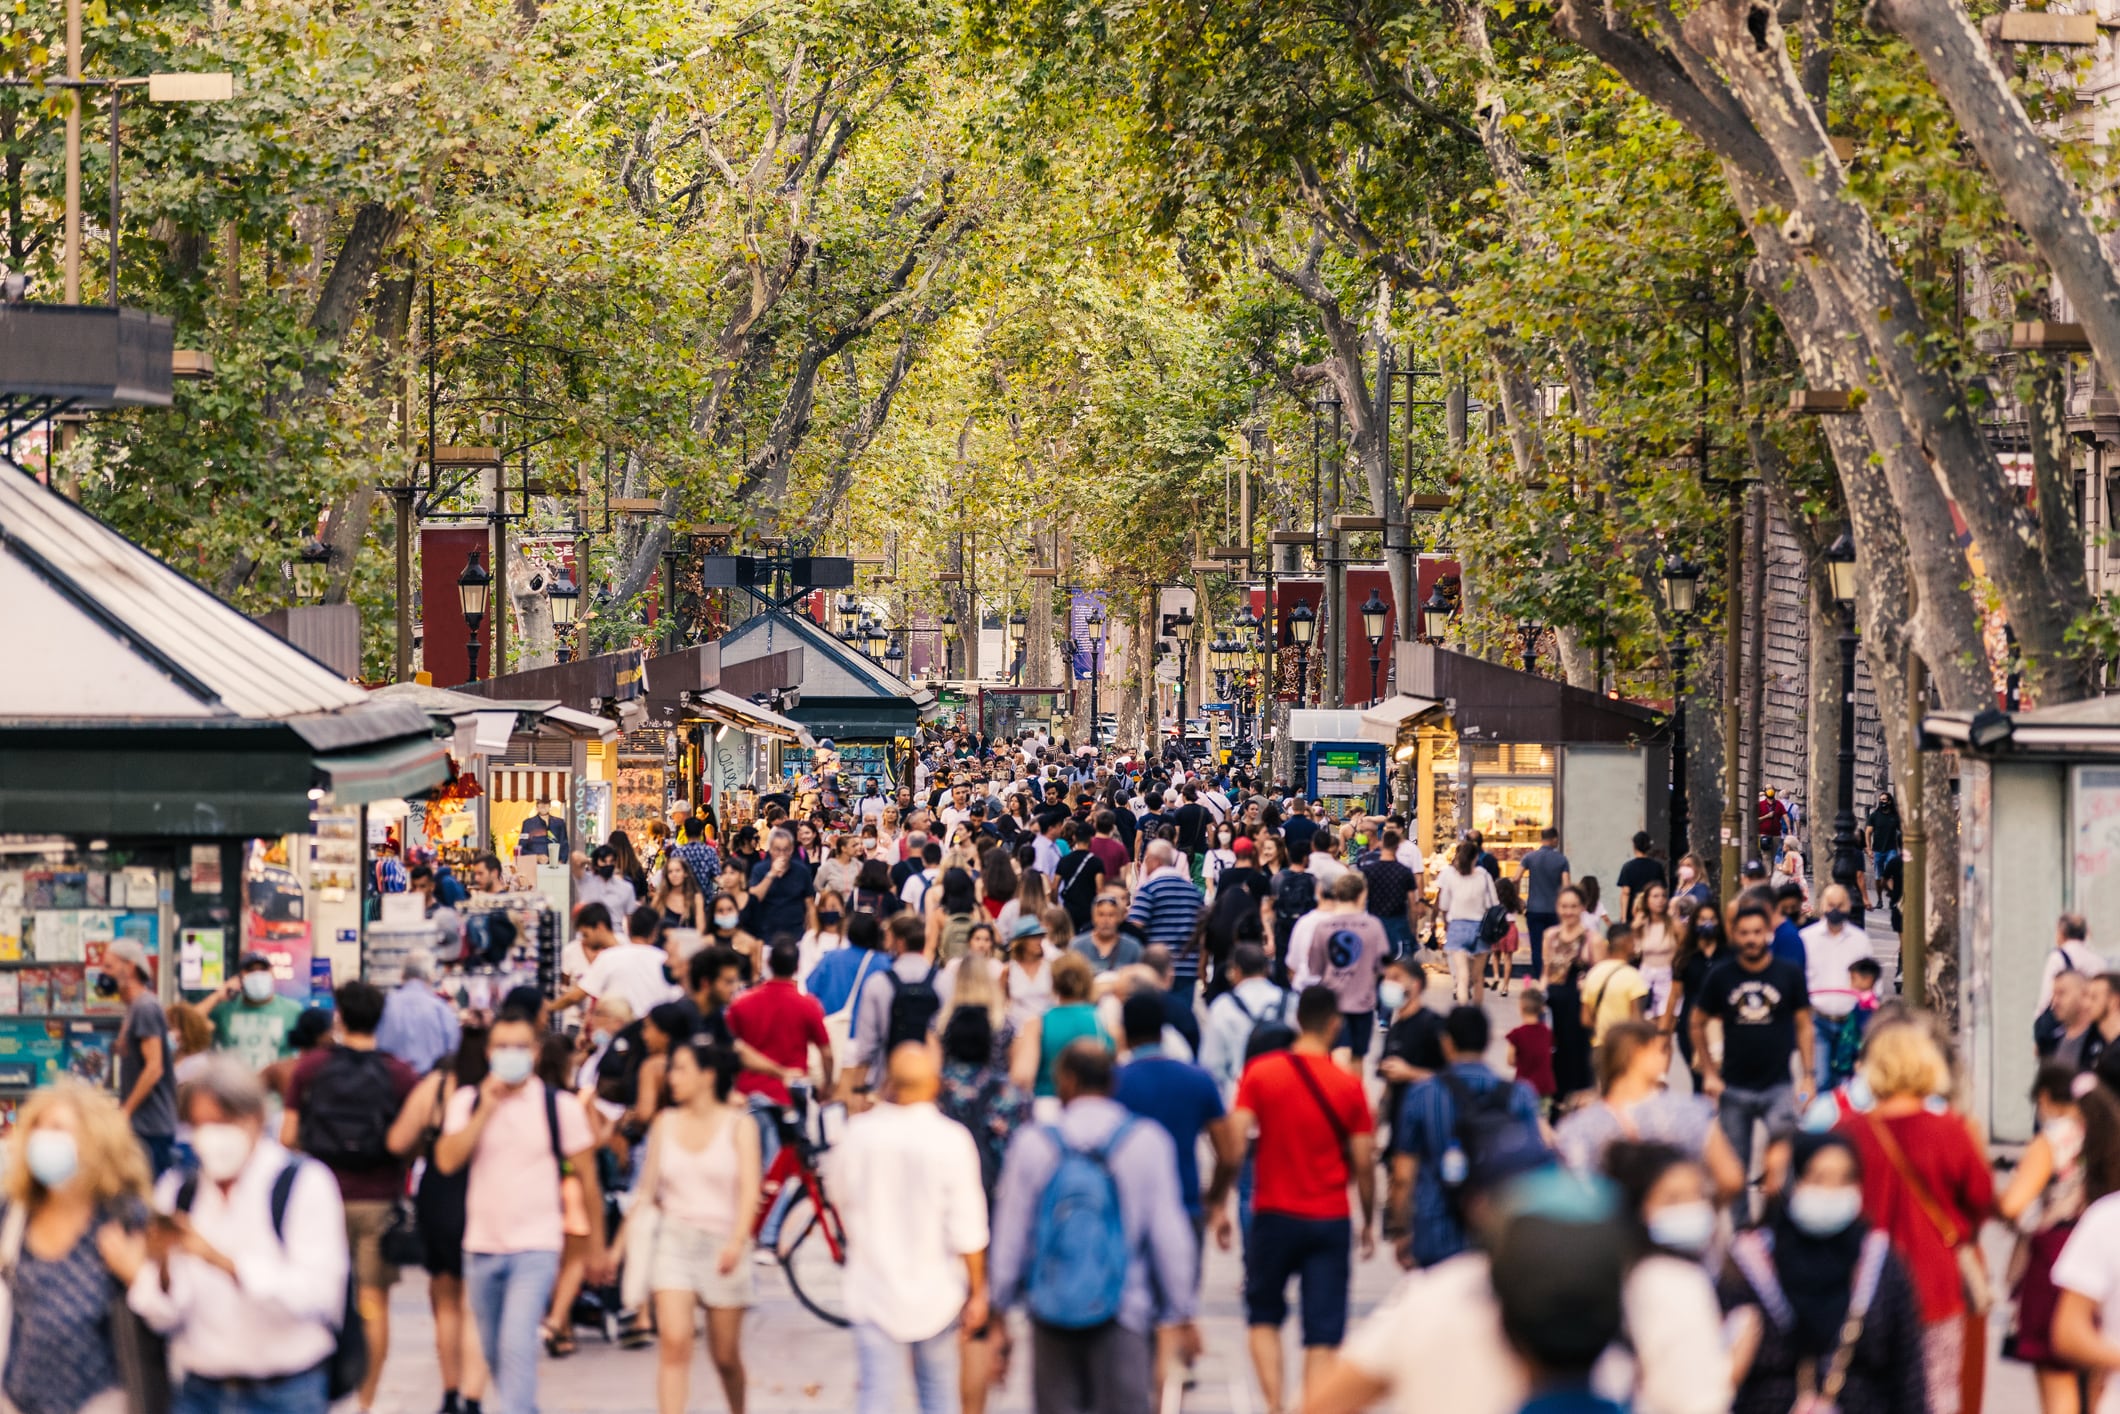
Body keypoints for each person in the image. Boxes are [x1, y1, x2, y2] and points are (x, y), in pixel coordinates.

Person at [118, 1057, 351, 1414]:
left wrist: (221, 1261)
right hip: (200, 1390)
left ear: (255, 1119)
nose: (210, 1136)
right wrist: (161, 1266)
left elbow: (317, 1295)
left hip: (286, 1391)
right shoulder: (181, 1190)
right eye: (199, 1125)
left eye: (222, 1122)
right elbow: (163, 1315)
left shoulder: (303, 1184)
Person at [990, 1041, 1200, 1414]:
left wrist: (999, 1309)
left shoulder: (1034, 1143)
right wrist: (1181, 1311)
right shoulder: (1146, 1141)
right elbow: (1170, 1237)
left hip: (1051, 1310)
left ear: (1066, 1081)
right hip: (1125, 1309)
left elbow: (1011, 1236)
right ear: (1111, 1082)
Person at [435, 1006, 610, 1414]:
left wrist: (597, 1245)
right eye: (501, 1047)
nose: (509, 1054)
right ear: (488, 1052)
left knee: (517, 1344)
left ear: (534, 1052)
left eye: (518, 1047)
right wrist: (484, 1112)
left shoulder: (559, 1107)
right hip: (480, 1246)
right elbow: (446, 1160)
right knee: (495, 1350)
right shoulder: (468, 1100)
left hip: (536, 1245)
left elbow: (587, 1179)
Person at [1835, 1023, 1995, 1414]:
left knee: (1863, 1392)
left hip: (1860, 1284)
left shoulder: (1847, 1131)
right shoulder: (1950, 1130)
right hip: (1934, 1284)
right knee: (1934, 1392)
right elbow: (1981, 1199)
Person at [1231, 986, 1377, 1413]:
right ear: (1335, 1024)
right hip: (1329, 1218)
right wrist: (1368, 1220)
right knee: (1322, 1332)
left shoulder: (1260, 1073)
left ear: (1298, 1021)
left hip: (1273, 1213)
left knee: (1263, 1316)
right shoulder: (1348, 1086)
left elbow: (1236, 1142)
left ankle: (1275, 1405)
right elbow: (1365, 1162)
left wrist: (1221, 1199)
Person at [281, 980, 420, 1414]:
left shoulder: (310, 1067)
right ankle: (364, 1402)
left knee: (316, 1298)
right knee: (373, 1302)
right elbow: (409, 1141)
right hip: (378, 1199)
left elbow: (287, 1137)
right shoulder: (400, 1073)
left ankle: (321, 1396)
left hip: (318, 1199)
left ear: (338, 1016)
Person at [1718, 1132, 1928, 1414]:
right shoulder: (1750, 1265)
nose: (1832, 1191)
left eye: (1845, 1180)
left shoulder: (1880, 1265)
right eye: (1818, 1179)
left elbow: (1907, 1373)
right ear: (1794, 1182)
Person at [831, 1044, 990, 1414]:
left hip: (872, 1287)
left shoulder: (858, 1135)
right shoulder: (951, 1140)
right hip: (937, 1292)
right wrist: (978, 1290)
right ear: (934, 1084)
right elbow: (968, 1228)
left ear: (889, 1083)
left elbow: (837, 1196)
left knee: (877, 1396)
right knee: (937, 1396)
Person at [623, 1037, 759, 1414]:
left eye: (681, 1069)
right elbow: (647, 1192)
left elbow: (750, 1192)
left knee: (725, 1356)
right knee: (675, 1341)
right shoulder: (664, 1124)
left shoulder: (739, 1126)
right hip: (674, 1240)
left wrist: (736, 1241)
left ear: (707, 1075)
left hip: (723, 1245)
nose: (671, 1077)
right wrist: (618, 1247)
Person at [0, 1079, 153, 1414]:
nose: (44, 1137)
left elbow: (166, 1311)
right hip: (19, 1397)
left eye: (58, 1128)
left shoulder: (124, 1217)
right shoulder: (14, 1213)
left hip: (101, 1400)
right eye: (38, 1126)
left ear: (94, 1140)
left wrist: (139, 1276)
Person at [1388, 1005, 1544, 1271]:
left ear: (1447, 1043)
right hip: (1499, 1232)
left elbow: (1403, 1173)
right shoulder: (1520, 1095)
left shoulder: (1422, 1094)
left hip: (1436, 1228)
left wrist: (1401, 1228)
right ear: (1487, 1041)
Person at [1999, 1065, 2112, 1414]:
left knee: (2058, 1378)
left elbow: (2012, 1204)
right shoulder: (2109, 1132)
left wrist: (2026, 1217)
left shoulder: (2053, 1139)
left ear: (2045, 1098)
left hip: (2056, 1258)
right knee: (2098, 1378)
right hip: (2104, 1254)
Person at [391, 1026, 490, 1414]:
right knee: (474, 1303)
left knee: (445, 1299)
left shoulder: (436, 1086)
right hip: (487, 1189)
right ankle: (473, 1395)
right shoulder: (500, 1090)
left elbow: (398, 1141)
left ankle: (450, 1393)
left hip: (440, 1192)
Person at [1692, 901, 1815, 1209]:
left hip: (1779, 1087)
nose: (1751, 939)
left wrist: (1809, 1077)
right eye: (1744, 933)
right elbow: (1696, 1022)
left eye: (1757, 932)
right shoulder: (1722, 975)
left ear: (1768, 934)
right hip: (1734, 1088)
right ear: (1734, 934)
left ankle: (1781, 1231)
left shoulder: (1788, 974)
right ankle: (1740, 1239)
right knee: (1735, 1175)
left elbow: (1804, 1026)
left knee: (1783, 1168)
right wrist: (1708, 1071)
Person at [1554, 1020, 1744, 1200]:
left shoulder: (1578, 1126)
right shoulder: (1691, 1112)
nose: (1665, 1058)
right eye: (1661, 1050)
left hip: (1611, 1229)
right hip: (1678, 1226)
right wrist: (1702, 1206)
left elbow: (1573, 1192)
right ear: (1639, 1053)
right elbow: (1730, 1178)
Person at [850, 914, 947, 1097]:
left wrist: (858, 1089)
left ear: (900, 943)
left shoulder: (878, 983)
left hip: (888, 1083)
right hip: (931, 1082)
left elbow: (867, 1046)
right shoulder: (943, 981)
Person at [1298, 872, 1387, 1064]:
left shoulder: (1323, 926)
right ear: (1361, 895)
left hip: (1332, 1002)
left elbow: (1314, 968)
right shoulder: (1373, 926)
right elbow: (1382, 966)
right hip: (1363, 1002)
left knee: (1335, 1054)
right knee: (1357, 1059)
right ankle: (1352, 1093)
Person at [107, 939, 177, 1175]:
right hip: (142, 1128)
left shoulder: (145, 1007)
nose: (102, 974)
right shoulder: (134, 1008)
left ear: (129, 968)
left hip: (151, 1128)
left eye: (108, 966)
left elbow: (154, 1067)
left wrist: (126, 1112)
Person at [1801, 884, 1876, 1087]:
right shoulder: (1807, 939)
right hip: (1818, 1021)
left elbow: (1872, 980)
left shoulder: (1860, 941)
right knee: (1822, 1079)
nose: (1835, 909)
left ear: (1849, 906)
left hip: (1850, 1022)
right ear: (1822, 905)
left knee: (1849, 1081)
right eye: (1830, 904)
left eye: (1840, 905)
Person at [1200, 942, 1292, 1100]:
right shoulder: (1289, 1001)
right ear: (1267, 969)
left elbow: (1212, 1064)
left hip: (1238, 1093)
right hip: (1284, 1092)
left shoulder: (1223, 1006)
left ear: (1235, 971)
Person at [1027, 951, 1108, 1113]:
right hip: (1094, 1107)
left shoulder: (1037, 1023)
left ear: (1053, 981)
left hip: (1047, 1107)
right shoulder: (1103, 1020)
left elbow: (1022, 1076)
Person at [1125, 840, 1205, 1004]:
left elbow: (1135, 927)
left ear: (1155, 861)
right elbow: (1203, 931)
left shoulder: (1148, 890)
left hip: (1157, 970)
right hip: (1188, 967)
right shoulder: (1193, 892)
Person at [1543, 886, 1599, 1106]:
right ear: (1558, 907)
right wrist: (1537, 995)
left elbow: (1602, 974)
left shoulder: (1591, 940)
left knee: (1578, 1058)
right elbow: (1546, 971)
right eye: (1564, 906)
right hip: (1554, 1005)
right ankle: (1557, 1106)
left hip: (1579, 1007)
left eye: (1574, 906)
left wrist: (1589, 981)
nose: (1569, 911)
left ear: (1582, 908)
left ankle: (1580, 1105)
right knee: (1555, 1057)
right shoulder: (1550, 936)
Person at [209, 950, 306, 1075]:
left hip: (275, 1092)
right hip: (234, 1091)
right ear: (239, 977)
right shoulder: (224, 1011)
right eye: (251, 970)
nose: (257, 975)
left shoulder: (293, 1011)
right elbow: (186, 1026)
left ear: (272, 973)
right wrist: (216, 997)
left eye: (263, 970)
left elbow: (307, 1055)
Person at [1662, 899, 1726, 1078]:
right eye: (1702, 919)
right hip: (1690, 1026)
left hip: (1721, 1024)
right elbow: (1674, 995)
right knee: (1699, 1079)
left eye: (1712, 920)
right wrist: (1664, 1031)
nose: (1707, 924)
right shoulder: (1686, 958)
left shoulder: (1728, 955)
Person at [376, 949, 462, 1076]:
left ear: (402, 975)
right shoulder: (441, 1010)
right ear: (431, 976)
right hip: (428, 1086)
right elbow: (453, 1053)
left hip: (390, 1085)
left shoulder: (384, 1005)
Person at [1434, 838, 1499, 1005]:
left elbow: (1444, 904)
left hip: (1457, 927)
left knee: (1462, 977)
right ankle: (1476, 1013)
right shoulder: (1483, 876)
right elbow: (1493, 904)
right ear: (1476, 858)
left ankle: (1464, 1012)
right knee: (1478, 977)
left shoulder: (1451, 877)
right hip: (1480, 928)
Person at [1580, 925, 1648, 1050]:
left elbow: (1585, 1019)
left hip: (1600, 1046)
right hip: (1625, 1047)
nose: (1635, 945)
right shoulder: (1632, 976)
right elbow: (1636, 1019)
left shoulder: (1593, 974)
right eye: (1633, 940)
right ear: (1626, 941)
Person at [1516, 827, 1571, 981]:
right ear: (1554, 839)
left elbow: (1516, 877)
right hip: (1554, 911)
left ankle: (1541, 978)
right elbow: (1566, 886)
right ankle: (1553, 976)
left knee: (1537, 947)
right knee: (1554, 945)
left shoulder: (1529, 857)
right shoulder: (1561, 860)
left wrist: (1518, 899)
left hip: (1534, 909)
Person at [744, 827, 817, 942]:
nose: (782, 854)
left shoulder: (801, 871)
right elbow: (754, 898)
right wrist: (771, 874)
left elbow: (810, 905)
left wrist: (813, 934)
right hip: (765, 935)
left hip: (795, 935)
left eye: (786, 850)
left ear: (792, 850)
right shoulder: (760, 870)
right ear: (771, 850)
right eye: (777, 850)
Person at [2041, 913, 2103, 1016]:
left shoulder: (2058, 957)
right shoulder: (2098, 960)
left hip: (2066, 1020)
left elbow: (2047, 997)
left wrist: (2040, 1020)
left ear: (2061, 933)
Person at [1070, 891, 1143, 977]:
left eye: (1111, 915)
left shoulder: (1132, 948)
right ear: (1093, 917)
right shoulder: (1077, 947)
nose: (1105, 920)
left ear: (1119, 918)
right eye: (1101, 914)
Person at [1505, 987, 1555, 1111]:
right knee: (1542, 1119)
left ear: (1521, 1008)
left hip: (1523, 1086)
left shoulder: (1517, 1034)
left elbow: (1511, 1060)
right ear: (1541, 1009)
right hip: (1544, 1086)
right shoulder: (1547, 1032)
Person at [573, 843, 639, 921]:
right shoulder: (585, 881)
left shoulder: (626, 887)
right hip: (590, 931)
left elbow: (630, 918)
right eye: (604, 861)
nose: (608, 865)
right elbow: (575, 857)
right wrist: (591, 862)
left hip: (614, 931)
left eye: (611, 861)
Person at [1613, 831, 1665, 925]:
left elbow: (1626, 892)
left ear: (1634, 846)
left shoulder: (1628, 867)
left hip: (1633, 914)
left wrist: (1624, 917)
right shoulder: (1657, 866)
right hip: (1652, 912)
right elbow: (1662, 889)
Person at [654, 851, 709, 937]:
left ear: (685, 873)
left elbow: (700, 928)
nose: (674, 874)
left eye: (678, 871)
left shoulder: (696, 898)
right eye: (670, 872)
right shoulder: (660, 896)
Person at [1865, 790, 1902, 911]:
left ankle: (1893, 896)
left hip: (1891, 850)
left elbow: (1902, 832)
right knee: (1878, 877)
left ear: (1890, 801)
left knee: (1890, 874)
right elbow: (1868, 832)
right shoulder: (1875, 816)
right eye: (1880, 800)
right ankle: (1880, 899)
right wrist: (1869, 849)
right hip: (1877, 850)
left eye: (1884, 800)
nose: (1882, 802)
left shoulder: (1894, 817)